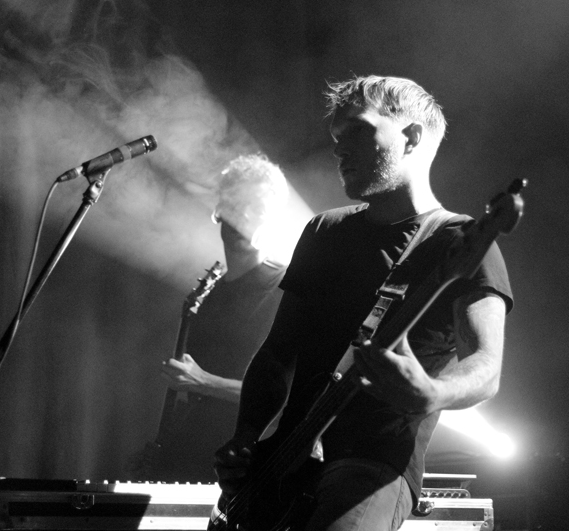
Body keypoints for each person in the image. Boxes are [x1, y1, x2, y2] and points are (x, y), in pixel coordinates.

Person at [213, 75, 514, 531]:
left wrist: (433, 393)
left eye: (358, 130)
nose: (339, 148)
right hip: (283, 461)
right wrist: (246, 436)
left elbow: (486, 366)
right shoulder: (324, 231)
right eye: (337, 136)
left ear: (411, 137)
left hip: (373, 463)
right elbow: (277, 352)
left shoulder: (463, 242)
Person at [155, 153, 289, 483]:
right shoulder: (210, 293)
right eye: (236, 205)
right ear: (218, 212)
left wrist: (204, 381)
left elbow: (285, 396)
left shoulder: (285, 290)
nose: (243, 217)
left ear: (274, 219)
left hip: (252, 464)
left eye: (256, 208)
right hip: (199, 458)